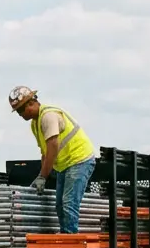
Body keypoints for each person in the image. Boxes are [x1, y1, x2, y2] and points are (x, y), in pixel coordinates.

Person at [8, 86, 97, 235]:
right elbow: (45, 152)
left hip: (79, 160)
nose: (20, 115)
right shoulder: (35, 124)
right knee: (60, 205)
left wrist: (43, 176)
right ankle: (65, 236)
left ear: (30, 103)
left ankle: (70, 242)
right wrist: (40, 176)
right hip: (65, 165)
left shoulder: (48, 116)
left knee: (69, 203)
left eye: (20, 110)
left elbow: (53, 146)